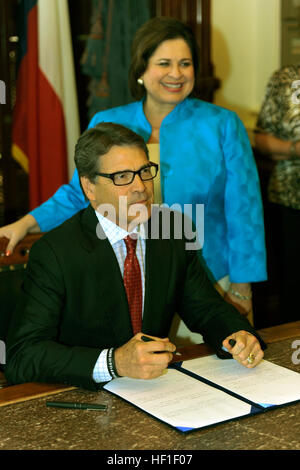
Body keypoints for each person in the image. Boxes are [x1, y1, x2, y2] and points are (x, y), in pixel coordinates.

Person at [0, 17, 267, 324]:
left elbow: (244, 210)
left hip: (211, 279)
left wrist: (242, 288)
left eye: (185, 63)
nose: (176, 74)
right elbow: (78, 193)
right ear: (141, 69)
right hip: (130, 279)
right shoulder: (107, 122)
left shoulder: (223, 124)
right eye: (164, 63)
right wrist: (25, 223)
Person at [4, 123, 265, 390]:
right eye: (122, 177)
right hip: (82, 397)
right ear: (89, 187)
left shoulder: (172, 231)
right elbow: (21, 356)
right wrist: (113, 363)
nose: (140, 186)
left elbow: (207, 309)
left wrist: (236, 334)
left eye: (144, 171)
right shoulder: (55, 252)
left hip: (155, 392)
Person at [254, 64, 300, 324]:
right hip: (291, 199)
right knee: (293, 286)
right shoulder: (287, 79)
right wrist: (295, 148)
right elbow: (262, 138)